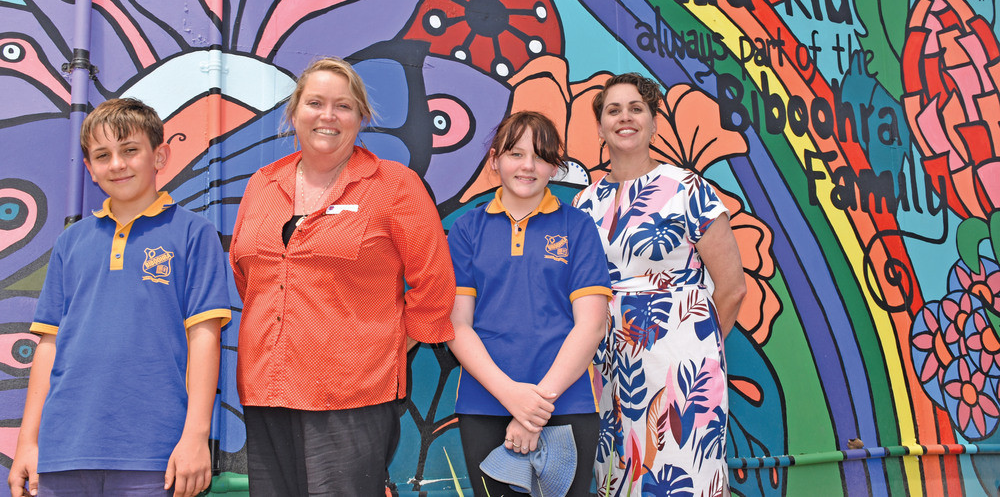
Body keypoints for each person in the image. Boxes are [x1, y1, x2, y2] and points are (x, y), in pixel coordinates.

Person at [229, 57, 456, 496]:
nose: (328, 116)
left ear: (362, 119)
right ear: (294, 113)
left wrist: (387, 344)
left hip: (351, 394)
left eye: (344, 106)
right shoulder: (262, 183)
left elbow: (435, 283)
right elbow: (251, 276)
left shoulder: (393, 185)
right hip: (266, 387)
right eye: (315, 103)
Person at [8, 98, 232, 497]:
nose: (117, 164)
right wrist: (29, 441)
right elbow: (49, 345)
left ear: (159, 155)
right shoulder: (69, 243)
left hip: (154, 454)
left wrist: (195, 436)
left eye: (130, 150)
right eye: (102, 155)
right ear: (90, 169)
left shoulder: (194, 234)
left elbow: (205, 339)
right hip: (64, 451)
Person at [574, 73, 746, 496]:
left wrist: (693, 349)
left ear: (654, 123)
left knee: (683, 477)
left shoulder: (689, 189)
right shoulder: (584, 203)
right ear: (599, 127)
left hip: (683, 368)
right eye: (613, 110)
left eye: (637, 108)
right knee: (621, 478)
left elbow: (733, 287)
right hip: (611, 372)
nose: (625, 117)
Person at [447, 111, 611, 497]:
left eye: (540, 155)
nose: (528, 165)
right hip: (485, 404)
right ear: (494, 161)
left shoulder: (578, 226)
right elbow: (457, 325)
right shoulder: (468, 230)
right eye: (515, 153)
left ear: (555, 166)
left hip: (566, 403)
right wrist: (512, 397)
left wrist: (534, 408)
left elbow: (591, 325)